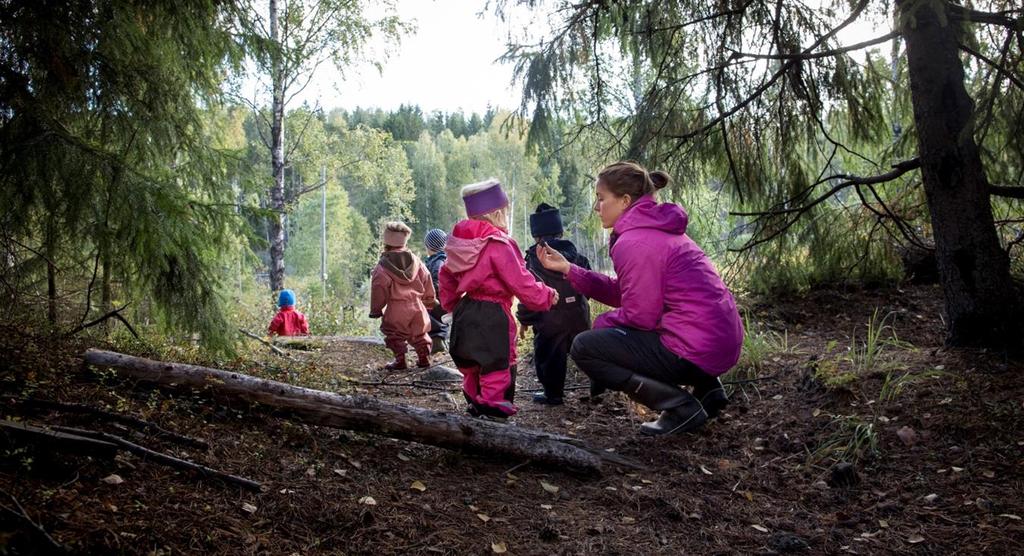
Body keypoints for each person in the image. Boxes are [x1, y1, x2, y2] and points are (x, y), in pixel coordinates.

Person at [535, 161, 743, 436]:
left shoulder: (634, 242)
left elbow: (640, 316)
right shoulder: (654, 231)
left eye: (601, 199)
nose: (597, 207)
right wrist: (569, 270)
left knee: (585, 346)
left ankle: (680, 407)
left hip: (695, 347)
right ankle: (708, 389)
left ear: (624, 201)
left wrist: (602, 326)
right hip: (719, 343)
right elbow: (626, 293)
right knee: (605, 336)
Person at [439, 179, 558, 419]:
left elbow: (446, 274)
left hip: (466, 309)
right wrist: (546, 295)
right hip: (493, 313)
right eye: (505, 211)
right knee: (497, 362)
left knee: (472, 363)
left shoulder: (458, 243)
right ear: (496, 213)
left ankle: (475, 403)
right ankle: (494, 408)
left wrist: (452, 305)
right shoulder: (499, 244)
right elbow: (520, 281)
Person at [517, 203, 591, 405]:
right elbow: (588, 282)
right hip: (579, 312)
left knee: (549, 356)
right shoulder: (576, 254)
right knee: (587, 352)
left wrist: (524, 320)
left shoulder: (534, 259)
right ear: (559, 231)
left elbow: (528, 293)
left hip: (549, 317)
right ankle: (598, 387)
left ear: (536, 235)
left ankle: (553, 394)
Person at [369, 221, 436, 371]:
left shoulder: (382, 267)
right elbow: (427, 278)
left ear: (386, 242)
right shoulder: (416, 261)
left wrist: (376, 309)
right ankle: (424, 359)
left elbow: (379, 287)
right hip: (417, 306)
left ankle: (400, 361)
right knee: (420, 333)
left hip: (396, 307)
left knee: (394, 334)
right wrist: (429, 300)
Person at [423, 228, 450, 353]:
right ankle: (436, 341)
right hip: (438, 296)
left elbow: (437, 280)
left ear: (430, 246)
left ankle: (438, 341)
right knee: (434, 318)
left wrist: (430, 292)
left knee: (433, 318)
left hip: (437, 297)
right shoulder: (437, 260)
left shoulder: (438, 261)